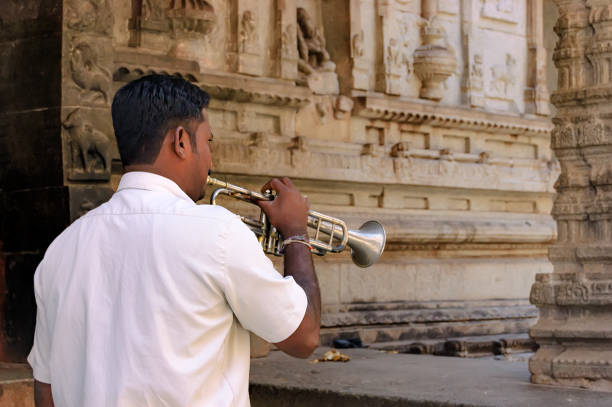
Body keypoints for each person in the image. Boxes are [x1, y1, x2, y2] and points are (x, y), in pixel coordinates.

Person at [28, 74, 321, 407]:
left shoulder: (62, 249)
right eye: (208, 142)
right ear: (181, 141)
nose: (210, 161)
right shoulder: (219, 232)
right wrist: (296, 233)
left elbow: (45, 390)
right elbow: (304, 336)